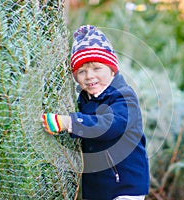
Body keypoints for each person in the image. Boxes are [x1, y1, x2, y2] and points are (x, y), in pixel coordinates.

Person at [42, 25, 149, 200]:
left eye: (97, 68)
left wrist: (69, 123)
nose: (89, 76)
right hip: (98, 188)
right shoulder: (84, 99)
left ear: (112, 69)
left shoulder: (123, 97)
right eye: (82, 71)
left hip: (125, 186)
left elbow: (110, 125)